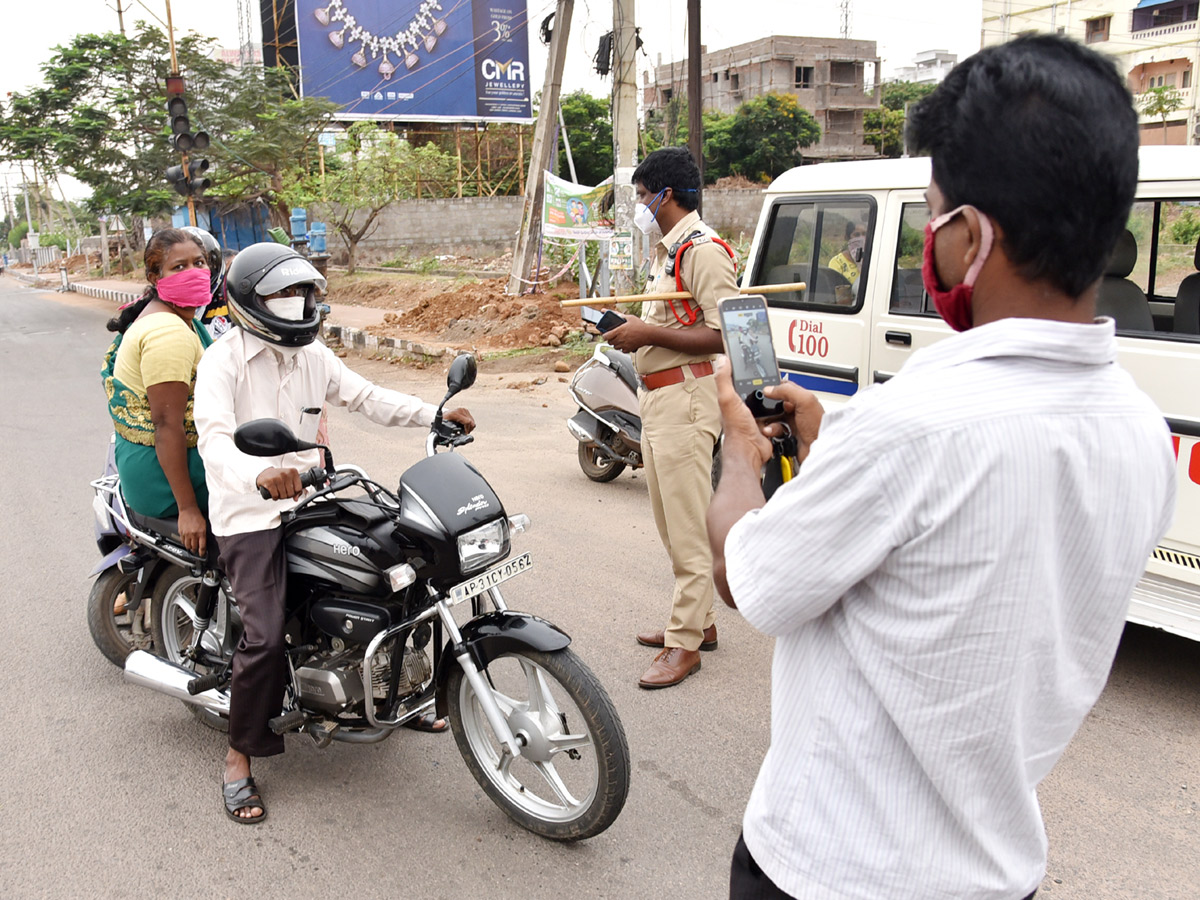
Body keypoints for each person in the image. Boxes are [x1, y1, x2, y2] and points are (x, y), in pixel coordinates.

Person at [706, 35, 1176, 900]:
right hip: (996, 873)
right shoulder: (1142, 434)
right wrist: (833, 436)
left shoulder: (910, 427)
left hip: (831, 872)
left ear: (971, 236)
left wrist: (740, 461)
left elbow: (752, 581)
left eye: (935, 216)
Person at [193, 242, 474, 824]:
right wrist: (259, 473)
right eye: (283, 294)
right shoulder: (222, 361)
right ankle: (239, 758)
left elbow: (365, 397)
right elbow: (215, 440)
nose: (298, 303)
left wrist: (433, 414)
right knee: (265, 636)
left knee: (399, 573)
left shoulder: (312, 355)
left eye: (304, 292)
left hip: (312, 495)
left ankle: (400, 692)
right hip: (251, 512)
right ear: (251, 302)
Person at [604, 147, 739, 689]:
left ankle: (685, 644)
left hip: (687, 399)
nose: (639, 204)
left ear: (667, 195)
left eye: (641, 195)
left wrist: (648, 333)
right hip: (659, 398)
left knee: (686, 527)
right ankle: (699, 623)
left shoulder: (703, 251)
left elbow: (724, 329)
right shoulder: (668, 252)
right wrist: (633, 330)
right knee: (669, 521)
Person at [101, 228, 214, 557]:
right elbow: (167, 424)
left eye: (200, 262)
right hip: (166, 480)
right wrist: (188, 510)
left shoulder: (178, 317)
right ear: (155, 275)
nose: (193, 273)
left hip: (151, 463)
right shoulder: (168, 332)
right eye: (179, 267)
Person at [827, 219, 865, 302]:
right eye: (857, 235)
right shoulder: (837, 263)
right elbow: (839, 298)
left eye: (864, 234)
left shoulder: (875, 260)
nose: (862, 238)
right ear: (847, 238)